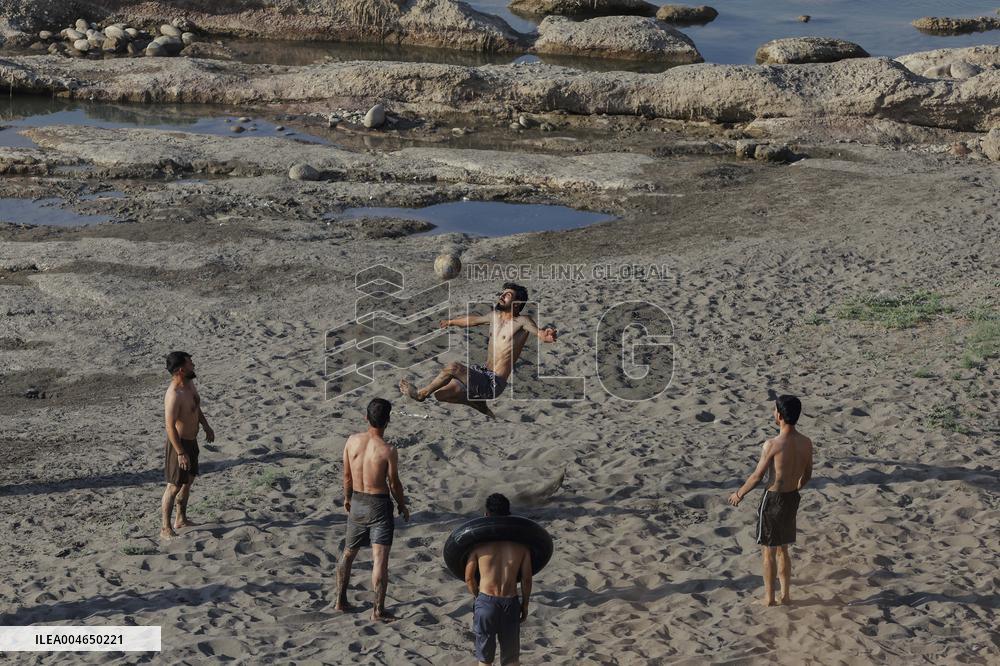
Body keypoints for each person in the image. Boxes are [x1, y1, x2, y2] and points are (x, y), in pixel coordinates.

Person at [399, 282, 557, 418]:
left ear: (517, 303)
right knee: (441, 395)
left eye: (508, 295)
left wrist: (544, 335)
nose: (502, 296)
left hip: (494, 382)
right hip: (481, 372)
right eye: (502, 293)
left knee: (453, 367)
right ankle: (476, 402)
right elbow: (473, 320)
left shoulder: (522, 321)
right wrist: (451, 321)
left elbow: (538, 331)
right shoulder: (495, 316)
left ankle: (421, 394)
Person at [728, 395, 814, 606]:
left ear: (779, 415)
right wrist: (795, 488)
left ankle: (769, 598)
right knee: (784, 547)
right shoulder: (806, 443)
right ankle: (785, 595)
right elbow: (808, 474)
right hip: (792, 497)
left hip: (773, 499)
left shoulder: (773, 444)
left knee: (769, 551)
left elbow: (757, 476)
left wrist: (739, 494)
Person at [335, 398, 410, 621]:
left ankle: (340, 600)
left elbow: (347, 476)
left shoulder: (351, 441)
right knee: (379, 559)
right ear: (388, 421)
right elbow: (394, 484)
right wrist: (402, 504)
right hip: (379, 505)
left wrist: (347, 499)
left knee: (348, 553)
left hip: (357, 501)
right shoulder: (388, 450)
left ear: (366, 417)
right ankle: (377, 610)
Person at [464, 494, 532, 666]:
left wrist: (477, 597)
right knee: (511, 660)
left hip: (486, 601)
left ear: (486, 515)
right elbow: (526, 580)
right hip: (510, 603)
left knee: (485, 660)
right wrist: (525, 604)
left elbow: (469, 577)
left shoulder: (479, 547)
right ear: (509, 515)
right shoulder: (522, 548)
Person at [162, 351, 215, 540]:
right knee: (174, 486)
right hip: (180, 445)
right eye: (190, 363)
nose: (194, 365)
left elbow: (195, 407)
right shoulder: (174, 394)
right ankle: (165, 528)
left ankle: (181, 519)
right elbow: (169, 426)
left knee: (189, 481)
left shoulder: (189, 384)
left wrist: (206, 425)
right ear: (181, 370)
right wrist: (180, 452)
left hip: (192, 441)